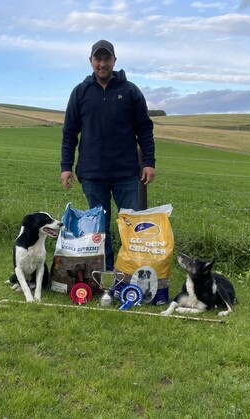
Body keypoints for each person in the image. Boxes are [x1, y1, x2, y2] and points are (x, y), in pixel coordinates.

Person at [60, 39, 156, 271]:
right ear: (91, 61)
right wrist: (66, 166)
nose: (102, 64)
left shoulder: (130, 91)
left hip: (126, 173)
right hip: (92, 175)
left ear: (114, 60)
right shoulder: (80, 92)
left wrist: (149, 162)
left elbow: (144, 128)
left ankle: (132, 272)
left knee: (131, 225)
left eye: (107, 59)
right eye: (98, 59)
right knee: (100, 229)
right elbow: (70, 132)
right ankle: (108, 272)